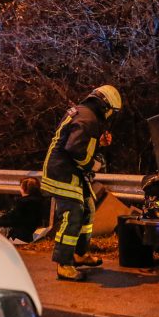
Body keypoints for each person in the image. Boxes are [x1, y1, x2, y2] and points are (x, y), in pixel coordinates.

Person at [41, 85, 122, 281]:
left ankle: (79, 254)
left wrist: (99, 143)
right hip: (63, 172)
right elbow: (75, 149)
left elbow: (79, 141)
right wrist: (93, 165)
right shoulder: (89, 119)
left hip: (68, 170)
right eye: (112, 111)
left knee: (88, 209)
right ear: (106, 106)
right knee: (73, 213)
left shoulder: (84, 114)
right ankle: (64, 264)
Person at [0, 176, 44, 243]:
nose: (20, 190)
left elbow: (11, 220)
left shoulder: (23, 203)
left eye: (21, 187)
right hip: (24, 231)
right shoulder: (38, 201)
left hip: (14, 232)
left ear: (25, 189)